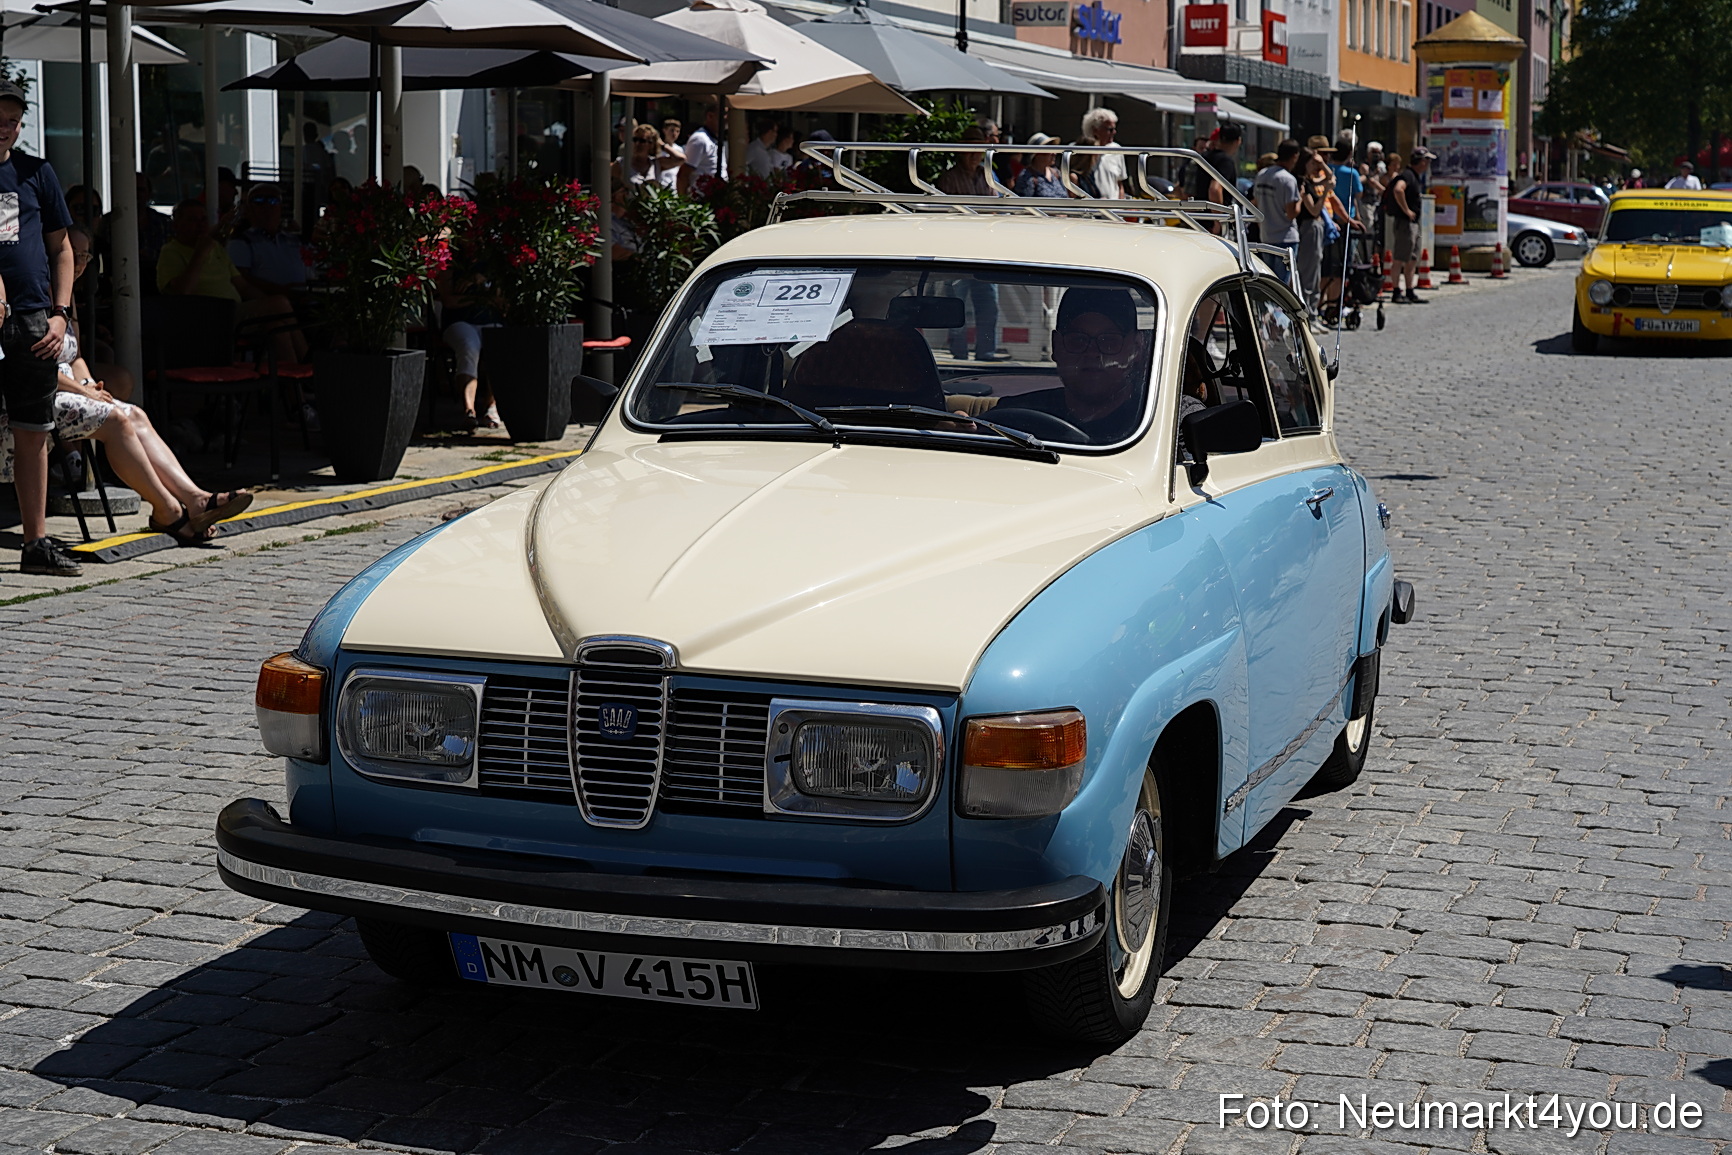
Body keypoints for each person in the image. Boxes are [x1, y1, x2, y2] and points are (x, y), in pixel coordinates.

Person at [0, 80, 80, 577]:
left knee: (34, 431)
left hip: (33, 319)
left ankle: (36, 542)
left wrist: (59, 312)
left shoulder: (34, 172)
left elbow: (62, 249)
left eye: (13, 120)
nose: (7, 128)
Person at [159, 199, 303, 364]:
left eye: (203, 220)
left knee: (278, 327)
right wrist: (199, 255)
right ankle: (309, 361)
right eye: (192, 220)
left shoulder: (216, 248)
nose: (200, 225)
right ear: (176, 225)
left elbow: (243, 286)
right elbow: (183, 292)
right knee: (280, 302)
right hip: (205, 317)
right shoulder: (171, 251)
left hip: (234, 314)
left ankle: (293, 385)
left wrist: (266, 305)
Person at [997, 287, 1147, 443]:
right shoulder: (1012, 415)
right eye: (1078, 340)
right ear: (1056, 345)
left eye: (1109, 341)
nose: (1092, 352)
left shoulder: (1156, 423)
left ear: (1136, 348)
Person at [1383, 147, 1433, 303]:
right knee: (1399, 258)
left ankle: (1410, 290)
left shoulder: (1415, 177)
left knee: (1412, 258)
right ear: (1422, 161)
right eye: (1427, 161)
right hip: (1405, 223)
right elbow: (1398, 190)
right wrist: (1407, 211)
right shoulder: (1407, 175)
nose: (1428, 165)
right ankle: (1396, 291)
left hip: (1413, 223)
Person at [1253, 139, 1302, 286]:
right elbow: (1291, 213)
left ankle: (1270, 309)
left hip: (1267, 235)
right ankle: (1277, 310)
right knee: (1281, 285)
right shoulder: (1288, 179)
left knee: (1268, 283)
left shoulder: (1262, 174)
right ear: (1294, 156)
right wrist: (1301, 198)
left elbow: (1255, 202)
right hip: (1286, 237)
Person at [1294, 146, 1331, 313]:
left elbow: (1329, 177)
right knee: (1308, 272)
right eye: (1312, 162)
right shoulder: (1301, 183)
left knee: (1315, 272)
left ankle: (1313, 311)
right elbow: (1314, 210)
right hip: (1309, 227)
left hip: (1315, 228)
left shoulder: (1307, 180)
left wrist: (1322, 163)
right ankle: (1308, 313)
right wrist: (1325, 194)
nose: (1315, 166)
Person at [1190, 124, 1243, 212]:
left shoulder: (1203, 157)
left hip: (1199, 217)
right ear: (1238, 141)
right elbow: (1214, 189)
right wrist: (1218, 221)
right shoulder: (1225, 161)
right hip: (1215, 221)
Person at [1080, 107, 1124, 199]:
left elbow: (1119, 184)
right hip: (1090, 210)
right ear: (1095, 130)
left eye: (1114, 129)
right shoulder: (1080, 151)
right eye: (1110, 129)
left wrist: (1121, 208)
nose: (1114, 132)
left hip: (1114, 211)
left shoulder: (1117, 150)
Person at [678, 101, 719, 193]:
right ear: (710, 116)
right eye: (724, 114)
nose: (727, 119)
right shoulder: (700, 139)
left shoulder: (715, 139)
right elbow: (683, 174)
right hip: (701, 199)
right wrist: (683, 203)